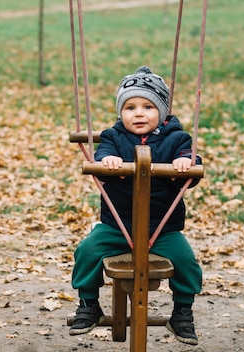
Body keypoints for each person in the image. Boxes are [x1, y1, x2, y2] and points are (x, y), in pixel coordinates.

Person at [69, 66, 202, 345]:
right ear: (121, 113)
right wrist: (108, 162)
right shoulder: (113, 138)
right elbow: (102, 153)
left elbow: (192, 161)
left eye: (148, 106)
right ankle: (88, 304)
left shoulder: (177, 139)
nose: (138, 113)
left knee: (187, 261)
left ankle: (182, 312)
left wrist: (185, 163)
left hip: (162, 229)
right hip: (118, 227)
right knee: (86, 251)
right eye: (130, 107)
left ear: (162, 112)